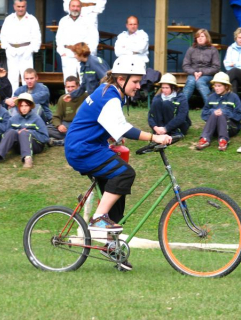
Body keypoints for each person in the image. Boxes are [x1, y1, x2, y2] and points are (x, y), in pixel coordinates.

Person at [65, 55, 172, 271]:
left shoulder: (110, 92)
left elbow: (100, 121)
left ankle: (111, 247)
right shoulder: (111, 96)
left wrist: (110, 136)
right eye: (135, 81)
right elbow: (123, 127)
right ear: (121, 78)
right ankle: (97, 219)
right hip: (83, 150)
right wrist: (154, 137)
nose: (138, 85)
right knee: (125, 174)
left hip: (91, 146)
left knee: (117, 196)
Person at [0, 93, 49, 169]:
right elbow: (6, 134)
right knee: (11, 132)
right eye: (21, 106)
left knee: (24, 133)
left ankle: (28, 159)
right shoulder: (13, 119)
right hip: (18, 146)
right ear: (18, 107)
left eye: (26, 106)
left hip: (34, 146)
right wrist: (17, 132)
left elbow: (45, 138)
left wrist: (29, 132)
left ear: (30, 106)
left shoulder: (37, 119)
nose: (24, 108)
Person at [0, 0, 41, 94]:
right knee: (12, 77)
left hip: (26, 49)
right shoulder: (9, 19)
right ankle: (13, 98)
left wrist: (31, 50)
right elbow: (3, 35)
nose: (20, 9)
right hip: (11, 49)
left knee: (27, 76)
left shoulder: (31, 19)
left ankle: (27, 99)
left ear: (26, 6)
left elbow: (36, 37)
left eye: (22, 6)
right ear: (14, 7)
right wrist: (6, 47)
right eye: (18, 6)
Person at [195, 72, 241, 151]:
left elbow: (239, 115)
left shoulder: (234, 97)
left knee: (221, 114)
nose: (216, 88)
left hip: (231, 127)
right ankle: (205, 139)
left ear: (226, 86)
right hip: (214, 128)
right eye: (215, 86)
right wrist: (213, 112)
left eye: (219, 86)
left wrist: (225, 113)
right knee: (215, 113)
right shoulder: (211, 97)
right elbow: (203, 114)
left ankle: (223, 140)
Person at [57, 0, 100, 81]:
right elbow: (59, 39)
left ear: (81, 8)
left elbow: (94, 38)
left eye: (77, 6)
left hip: (83, 55)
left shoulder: (88, 20)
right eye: (73, 6)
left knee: (85, 80)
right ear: (69, 7)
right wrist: (62, 52)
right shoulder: (63, 21)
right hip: (68, 55)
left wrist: (89, 53)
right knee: (69, 81)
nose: (75, 8)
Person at [182, 29, 220, 105]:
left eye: (202, 36)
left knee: (200, 82)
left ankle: (210, 106)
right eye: (198, 36)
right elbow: (185, 65)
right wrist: (194, 72)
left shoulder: (213, 50)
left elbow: (216, 67)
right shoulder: (191, 49)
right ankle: (181, 106)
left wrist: (202, 72)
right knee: (190, 82)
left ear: (207, 38)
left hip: (208, 75)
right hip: (193, 74)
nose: (200, 38)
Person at [47, 76, 87, 146]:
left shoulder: (86, 96)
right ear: (65, 87)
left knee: (85, 131)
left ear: (78, 86)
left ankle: (63, 141)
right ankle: (71, 138)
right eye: (68, 87)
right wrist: (59, 125)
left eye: (73, 86)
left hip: (81, 125)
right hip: (66, 125)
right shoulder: (62, 98)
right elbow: (56, 117)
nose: (70, 89)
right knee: (46, 129)